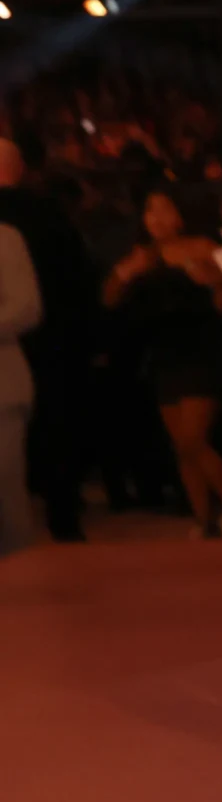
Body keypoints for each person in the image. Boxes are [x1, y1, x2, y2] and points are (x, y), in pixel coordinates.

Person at [102, 189, 222, 538]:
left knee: (192, 439)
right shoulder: (142, 256)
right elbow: (109, 298)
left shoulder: (201, 247)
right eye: (149, 211)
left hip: (201, 349)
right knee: (181, 445)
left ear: (180, 215)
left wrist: (209, 279)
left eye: (164, 209)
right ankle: (205, 520)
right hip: (163, 353)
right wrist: (126, 274)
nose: (156, 218)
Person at [0, 138, 98, 541]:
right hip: (54, 345)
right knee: (53, 434)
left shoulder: (11, 233)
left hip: (21, 351)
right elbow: (78, 279)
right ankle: (63, 514)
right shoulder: (47, 215)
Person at [0, 219, 40, 554]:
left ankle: (25, 586)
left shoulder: (4, 239)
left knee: (6, 496)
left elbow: (27, 307)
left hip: (2, 388)